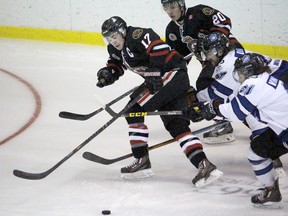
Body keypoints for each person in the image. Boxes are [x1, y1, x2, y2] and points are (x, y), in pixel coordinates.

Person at [96, 16, 222, 187]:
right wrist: (109, 73)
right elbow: (118, 64)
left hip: (171, 75)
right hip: (164, 82)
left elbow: (159, 48)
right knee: (176, 126)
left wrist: (155, 71)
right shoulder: (115, 48)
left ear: (123, 31)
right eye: (109, 38)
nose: (112, 41)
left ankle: (141, 159)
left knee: (133, 110)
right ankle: (204, 164)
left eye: (114, 36)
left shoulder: (137, 35)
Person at [188, 52, 288, 206]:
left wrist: (210, 109)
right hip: (281, 130)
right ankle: (271, 191)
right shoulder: (263, 80)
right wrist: (211, 108)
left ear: (248, 71)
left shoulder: (255, 84)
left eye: (240, 72)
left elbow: (236, 112)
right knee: (256, 151)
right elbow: (236, 105)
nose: (238, 76)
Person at [161, 0, 245, 144]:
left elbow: (224, 22)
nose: (170, 12)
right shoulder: (171, 30)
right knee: (208, 87)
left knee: (213, 86)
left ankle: (232, 122)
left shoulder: (198, 12)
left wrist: (211, 38)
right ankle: (225, 120)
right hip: (211, 62)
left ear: (181, 5)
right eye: (166, 8)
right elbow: (179, 58)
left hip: (230, 53)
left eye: (173, 7)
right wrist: (169, 72)